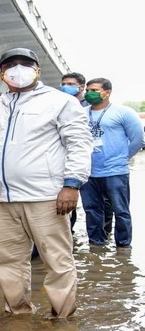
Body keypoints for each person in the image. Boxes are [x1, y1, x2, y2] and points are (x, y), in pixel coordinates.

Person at [0, 47, 92, 318]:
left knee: (57, 261)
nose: (18, 69)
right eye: (11, 64)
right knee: (7, 261)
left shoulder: (60, 102)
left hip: (46, 198)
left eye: (26, 63)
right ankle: (18, 314)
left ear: (37, 69)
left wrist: (72, 184)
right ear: (2, 73)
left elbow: (79, 144)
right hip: (1, 200)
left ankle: (63, 318)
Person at [80, 77, 143, 249]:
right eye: (88, 90)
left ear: (107, 92)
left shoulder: (123, 112)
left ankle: (123, 248)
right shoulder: (81, 113)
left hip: (115, 172)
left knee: (120, 211)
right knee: (92, 210)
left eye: (94, 90)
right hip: (87, 172)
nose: (89, 93)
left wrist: (122, 158)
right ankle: (96, 245)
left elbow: (138, 140)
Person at [59, 72, 112, 234]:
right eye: (63, 83)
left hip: (97, 165)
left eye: (70, 84)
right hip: (67, 164)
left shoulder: (89, 108)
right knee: (70, 201)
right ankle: (70, 232)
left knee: (102, 203)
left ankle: (104, 235)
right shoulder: (58, 105)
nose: (65, 87)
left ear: (80, 87)